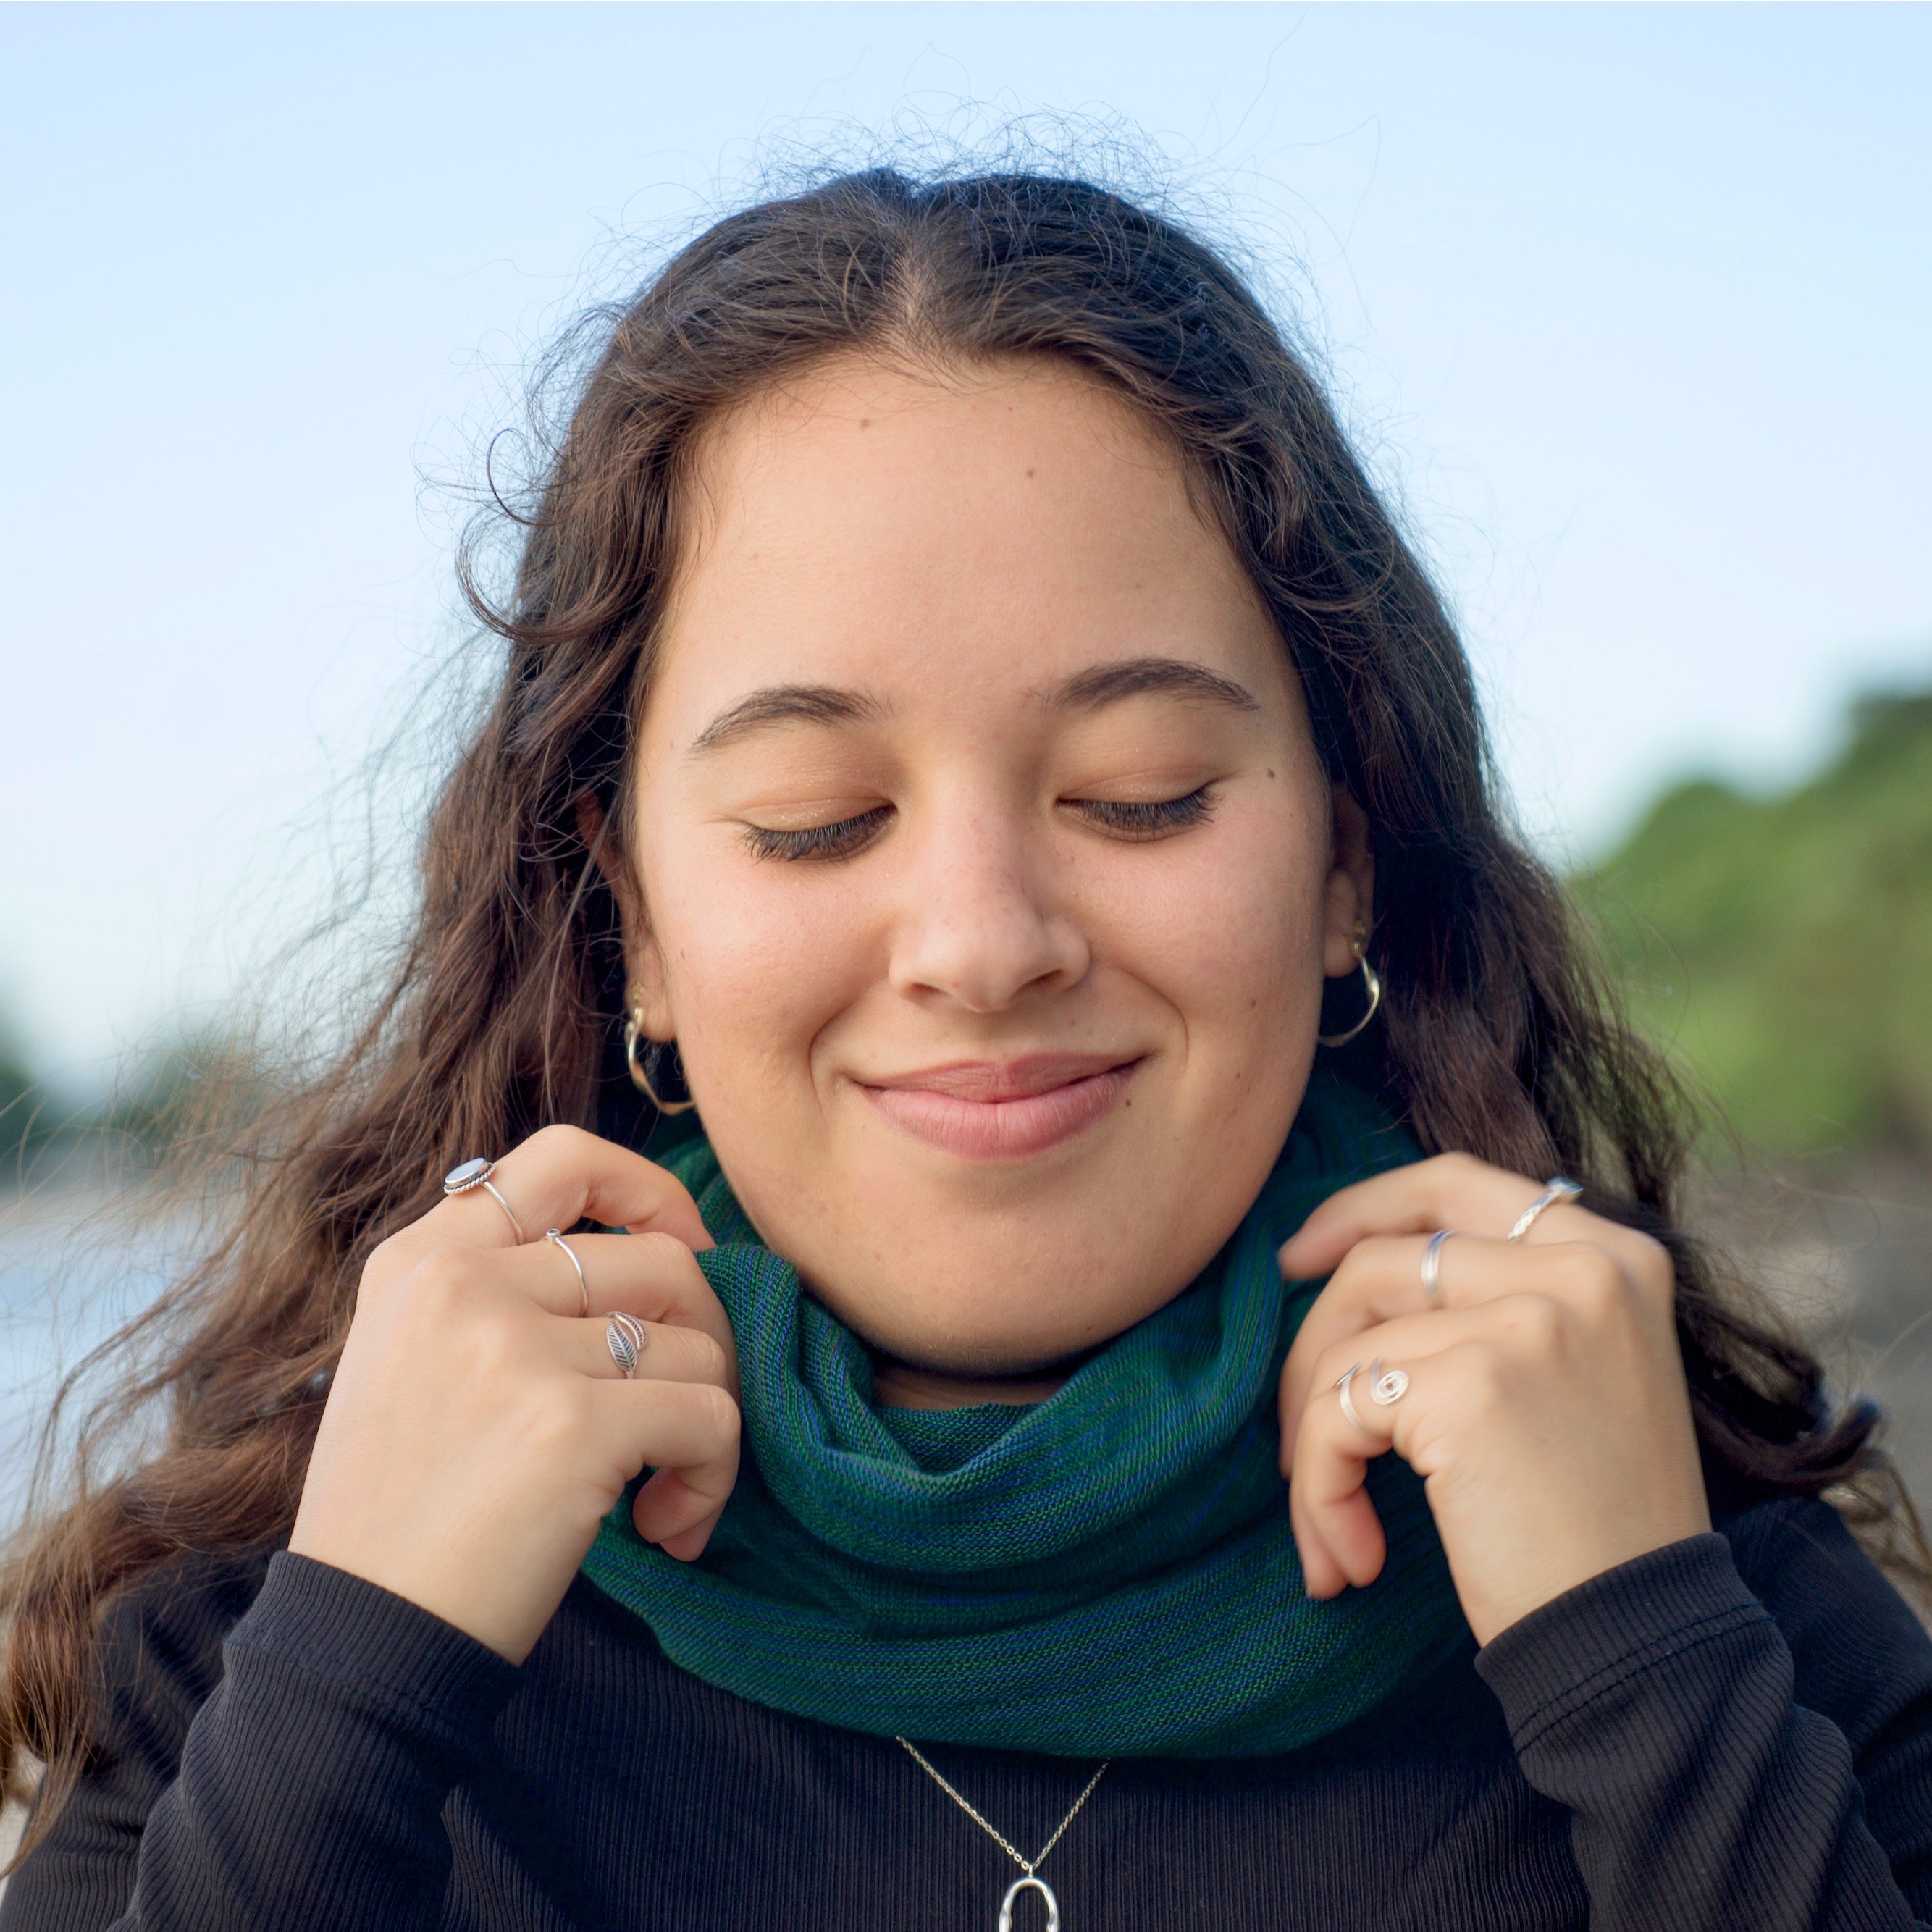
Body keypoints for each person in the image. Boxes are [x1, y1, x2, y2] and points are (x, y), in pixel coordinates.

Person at [3, 164, 1930, 1932]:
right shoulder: (282, 1633)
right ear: (636, 918)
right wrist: (358, 1660)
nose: (983, 942)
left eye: (1143, 792)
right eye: (816, 818)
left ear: (1344, 856)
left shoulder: (1702, 1597)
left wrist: (1641, 1658)